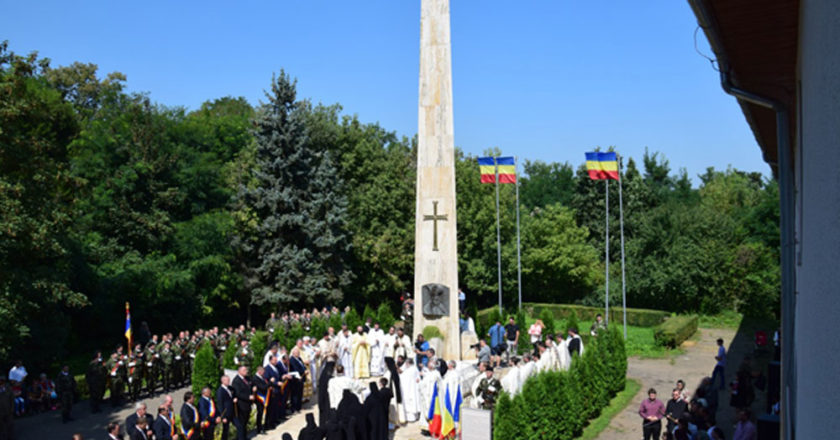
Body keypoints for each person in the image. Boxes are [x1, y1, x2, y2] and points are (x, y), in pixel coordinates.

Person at [231, 366, 253, 440]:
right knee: (242, 423)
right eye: (244, 370)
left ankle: (244, 436)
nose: (246, 371)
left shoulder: (247, 378)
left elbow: (250, 385)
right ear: (239, 371)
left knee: (246, 422)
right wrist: (248, 397)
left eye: (246, 370)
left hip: (248, 404)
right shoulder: (236, 381)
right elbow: (238, 393)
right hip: (241, 405)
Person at [399, 358, 422, 422]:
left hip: (410, 389)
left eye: (406, 363)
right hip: (412, 389)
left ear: (408, 363)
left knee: (410, 404)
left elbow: (403, 377)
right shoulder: (415, 368)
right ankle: (415, 416)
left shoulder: (411, 370)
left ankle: (411, 418)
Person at [251, 366, 269, 433]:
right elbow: (262, 387)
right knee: (260, 413)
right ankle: (259, 428)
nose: (264, 373)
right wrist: (270, 383)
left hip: (264, 397)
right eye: (263, 372)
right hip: (259, 398)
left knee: (262, 413)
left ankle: (263, 425)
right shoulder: (255, 378)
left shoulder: (262, 377)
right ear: (259, 371)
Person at [215, 376, 234, 440]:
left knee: (239, 425)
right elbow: (220, 404)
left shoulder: (229, 388)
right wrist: (223, 417)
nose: (229, 382)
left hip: (232, 412)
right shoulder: (220, 391)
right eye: (227, 380)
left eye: (229, 380)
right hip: (226, 413)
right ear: (223, 381)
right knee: (225, 430)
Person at [0, 375, 14, 440]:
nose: (1, 382)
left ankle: (10, 437)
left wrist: (12, 409)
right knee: (2, 426)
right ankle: (4, 437)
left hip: (8, 409)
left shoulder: (8, 388)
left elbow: (12, 399)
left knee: (10, 425)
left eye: (2, 381)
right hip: (1, 411)